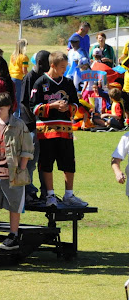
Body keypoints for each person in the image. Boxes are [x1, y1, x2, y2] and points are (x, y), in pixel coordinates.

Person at [30, 51, 88, 208]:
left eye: (66, 66)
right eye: (62, 66)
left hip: (65, 131)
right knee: (46, 163)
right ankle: (50, 196)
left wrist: (68, 108)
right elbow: (34, 108)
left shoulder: (68, 83)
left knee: (69, 163)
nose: (65, 69)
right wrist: (53, 106)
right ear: (52, 65)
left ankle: (69, 195)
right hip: (46, 132)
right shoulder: (40, 83)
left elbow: (76, 104)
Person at [0, 92, 33, 250]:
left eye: (0, 108)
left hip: (12, 172)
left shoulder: (18, 125)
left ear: (8, 107)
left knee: (14, 205)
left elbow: (27, 148)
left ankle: (13, 235)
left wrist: (22, 168)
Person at [20, 50, 50, 204]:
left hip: (44, 127)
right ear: (40, 62)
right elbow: (24, 103)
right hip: (31, 126)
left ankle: (46, 192)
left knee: (44, 160)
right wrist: (34, 120)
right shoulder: (29, 77)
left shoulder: (45, 78)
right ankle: (28, 192)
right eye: (48, 63)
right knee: (30, 161)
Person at [9, 39, 29, 117]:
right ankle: (17, 116)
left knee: (13, 97)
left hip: (11, 77)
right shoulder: (24, 57)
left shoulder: (12, 56)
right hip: (18, 78)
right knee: (18, 98)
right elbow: (24, 70)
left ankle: (12, 113)